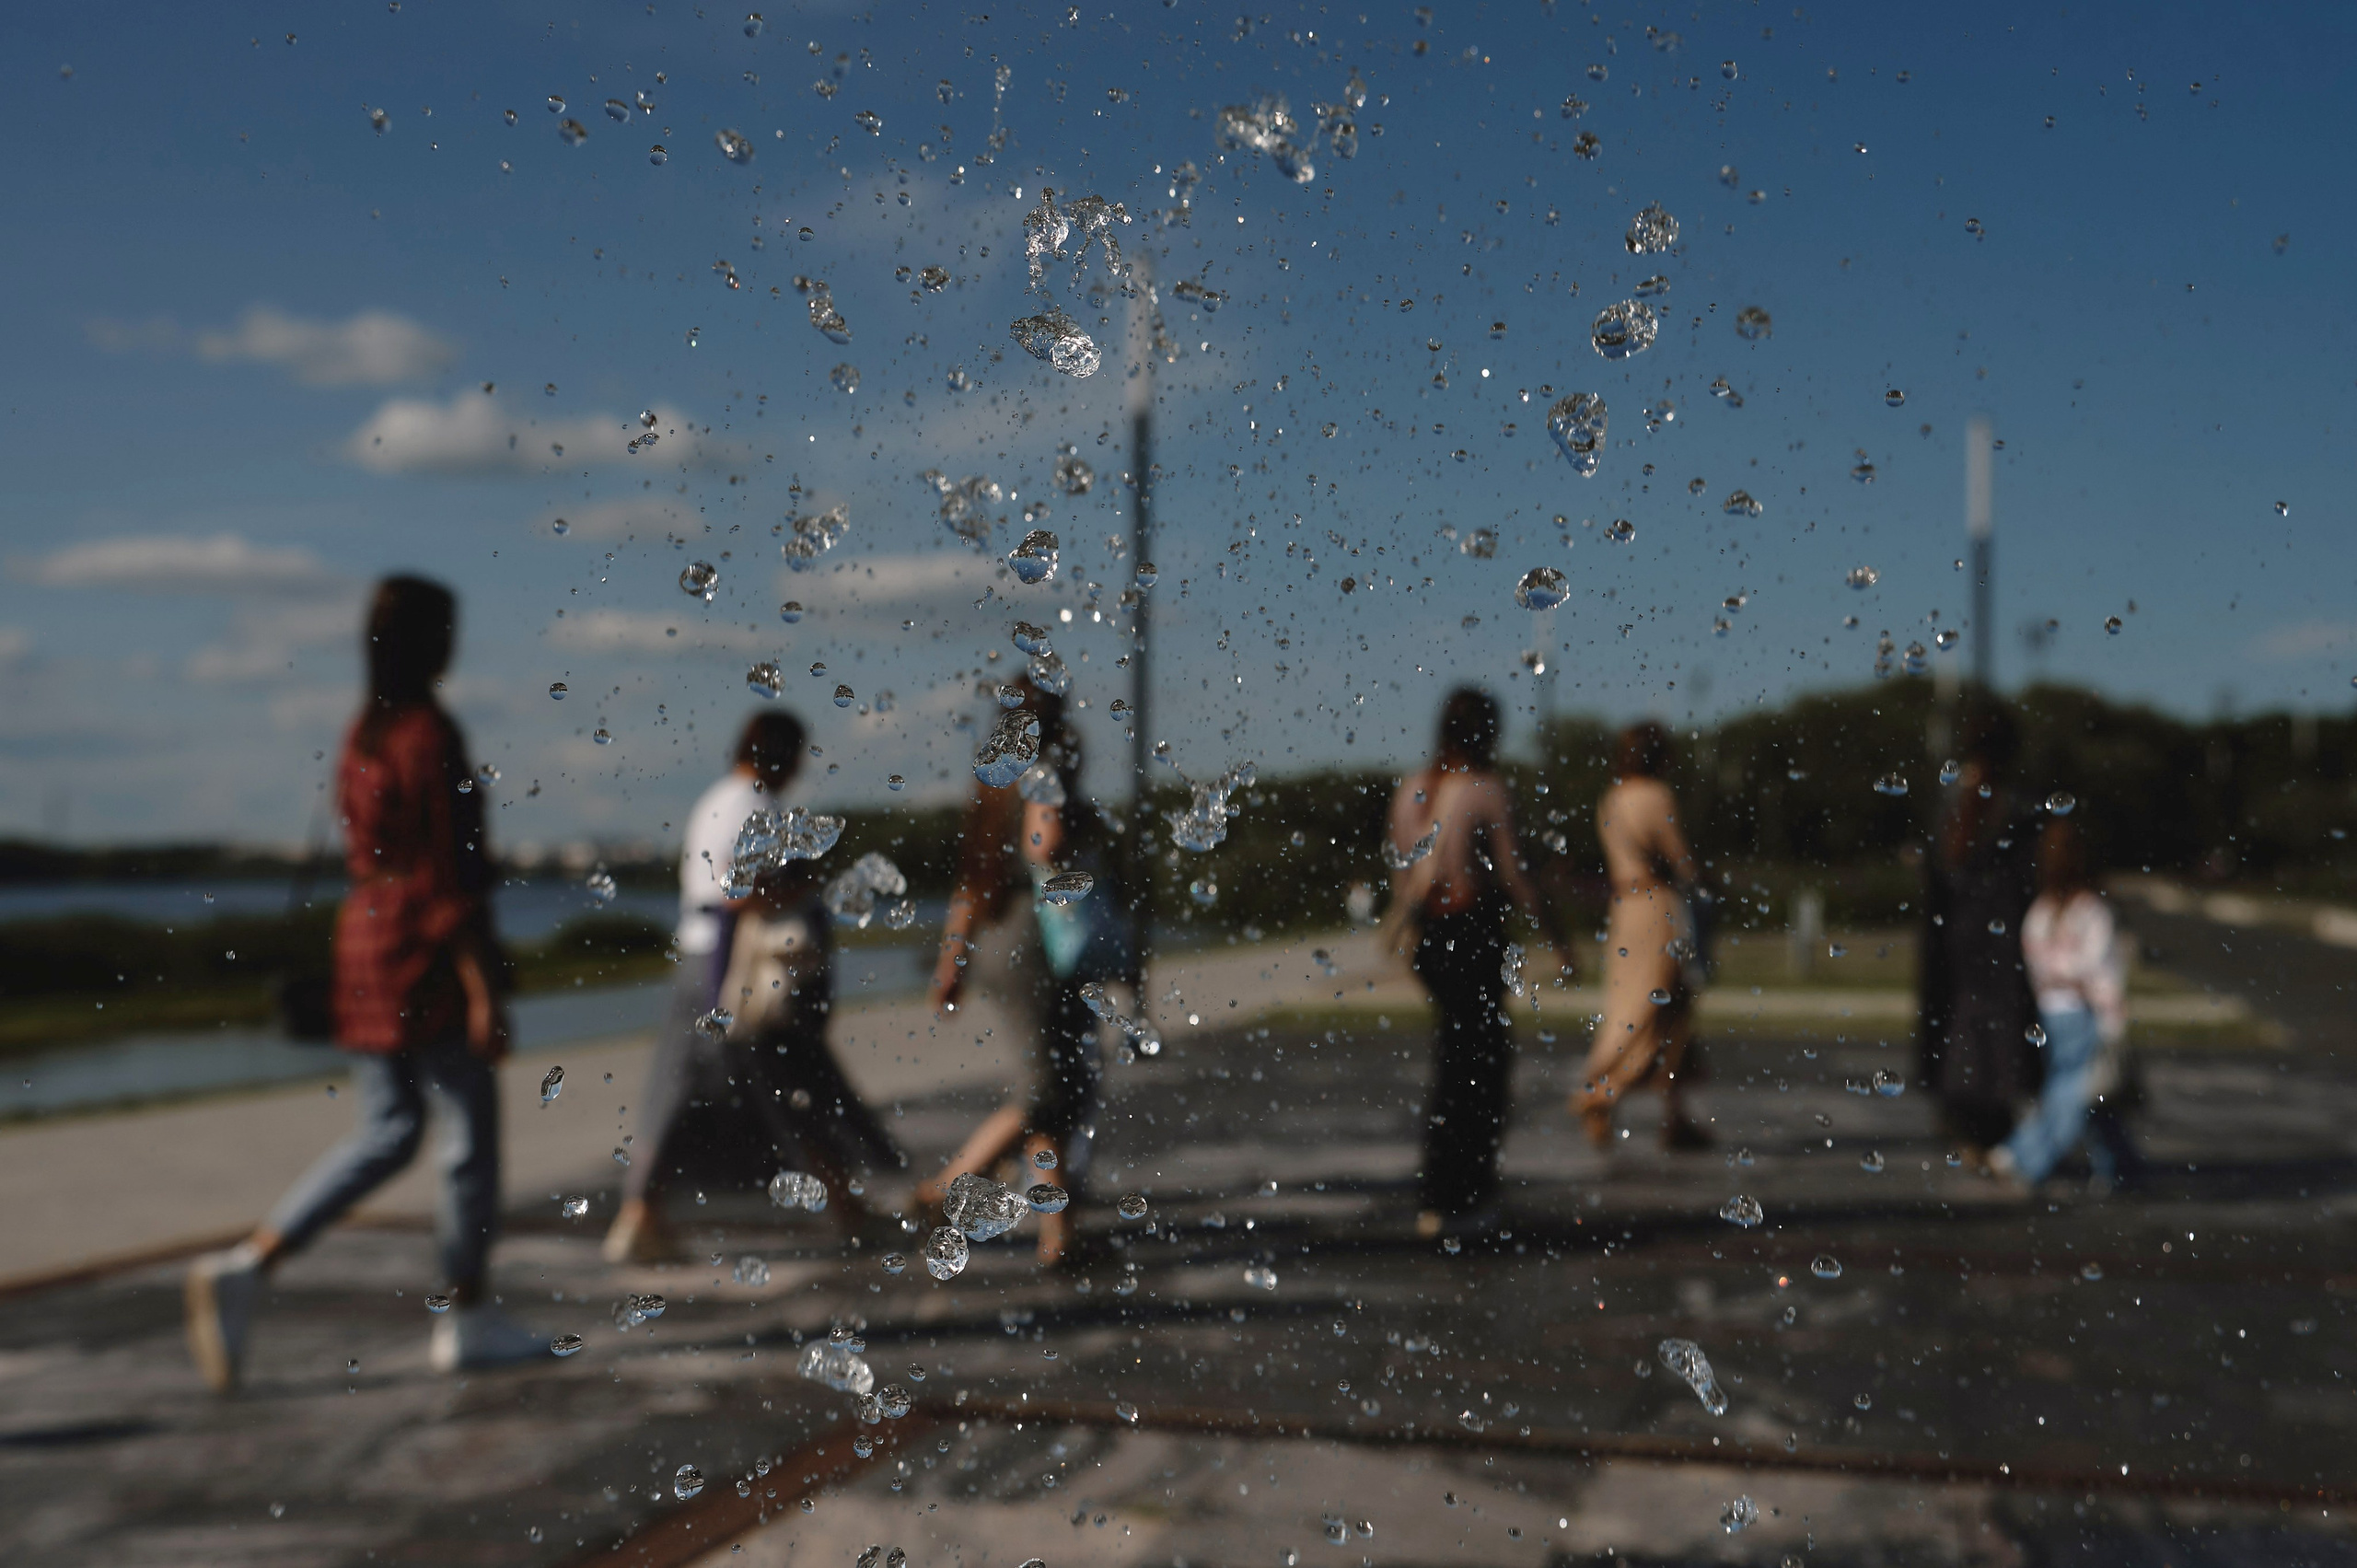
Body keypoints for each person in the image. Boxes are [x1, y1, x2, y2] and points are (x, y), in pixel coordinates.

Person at [185, 576, 540, 1390]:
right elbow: (446, 877)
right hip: (425, 948)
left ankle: (252, 1262)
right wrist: (484, 987)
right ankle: (470, 1313)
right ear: (431, 642)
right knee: (471, 1134)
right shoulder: (429, 733)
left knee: (389, 1127)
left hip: (365, 941)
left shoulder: (363, 733)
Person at [601, 711, 897, 1262]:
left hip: (701, 957)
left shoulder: (715, 798)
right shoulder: (755, 805)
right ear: (782, 755)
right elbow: (737, 891)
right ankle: (847, 1211)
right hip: (736, 971)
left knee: (680, 1092)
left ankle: (641, 1214)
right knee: (793, 1088)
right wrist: (803, 886)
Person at [920, 685, 1127, 1265]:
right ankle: (949, 1185)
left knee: (1055, 1089)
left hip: (996, 935)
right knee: (1047, 1090)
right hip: (1038, 942)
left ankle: (1058, 1235)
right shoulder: (1043, 772)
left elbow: (970, 879)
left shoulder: (992, 782)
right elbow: (1045, 844)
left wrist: (951, 962)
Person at [1385, 687, 1570, 1236]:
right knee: (1483, 1069)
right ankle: (1470, 1195)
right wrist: (1558, 938)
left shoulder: (1411, 791)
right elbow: (1514, 875)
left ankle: (1437, 1192)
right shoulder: (1486, 790)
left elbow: (1400, 876)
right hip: (1472, 931)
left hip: (1428, 939)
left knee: (1452, 1062)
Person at [1573, 721, 1712, 1150]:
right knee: (1656, 1009)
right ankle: (1601, 1092)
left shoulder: (1610, 798)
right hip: (1656, 907)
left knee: (1634, 1005)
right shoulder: (1655, 796)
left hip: (1624, 908)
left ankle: (1674, 1115)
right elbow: (1680, 859)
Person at [1916, 702, 2042, 1154]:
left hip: (1958, 937)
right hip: (2003, 936)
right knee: (2002, 1029)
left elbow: (1936, 880)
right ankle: (1993, 1133)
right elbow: (2028, 877)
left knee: (1962, 1027)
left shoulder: (1951, 804)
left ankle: (1967, 1128)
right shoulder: (2017, 805)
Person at [1990, 817, 2141, 1191]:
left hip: (2056, 1012)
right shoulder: (2089, 912)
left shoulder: (2045, 912)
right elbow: (2100, 971)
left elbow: (2037, 963)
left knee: (2085, 1095)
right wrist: (2113, 1020)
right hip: (2079, 1014)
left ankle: (2118, 1169)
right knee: (2077, 1096)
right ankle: (2026, 1157)